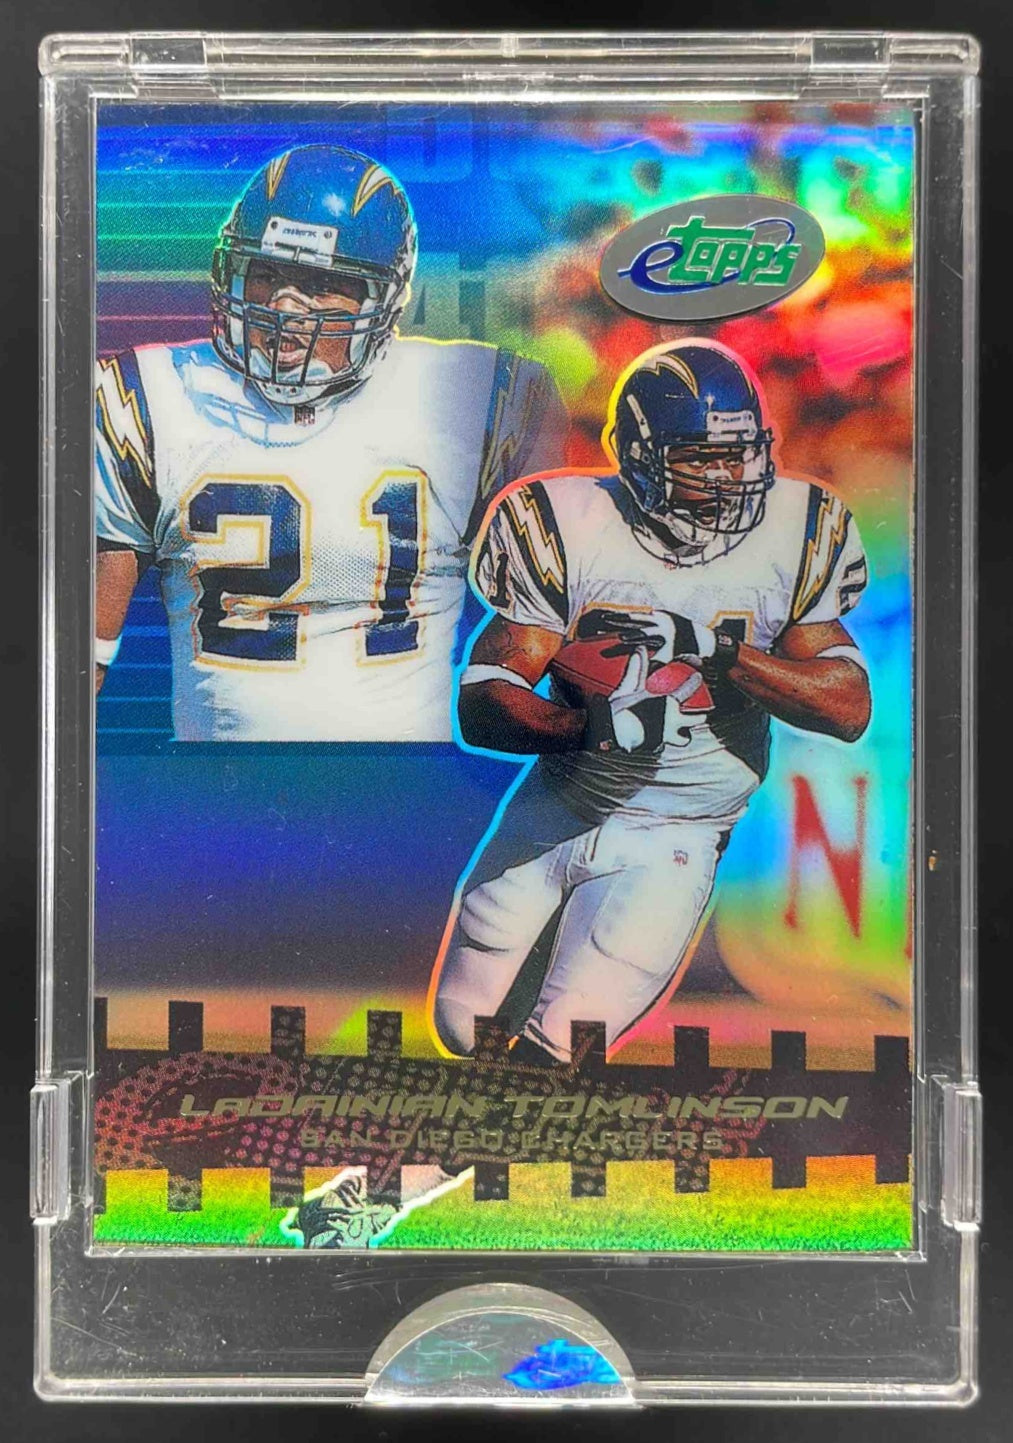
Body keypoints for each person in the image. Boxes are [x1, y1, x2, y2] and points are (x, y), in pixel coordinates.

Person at [430, 338, 871, 1063]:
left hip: (678, 828)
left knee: (563, 1038)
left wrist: (717, 649)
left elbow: (847, 707)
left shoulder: (798, 528)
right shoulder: (566, 521)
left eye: (739, 455)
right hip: (560, 805)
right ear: (639, 456)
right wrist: (590, 728)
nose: (728, 477)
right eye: (700, 458)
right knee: (462, 1027)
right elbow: (483, 701)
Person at [94, 144, 566, 740]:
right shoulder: (146, 398)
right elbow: (83, 654)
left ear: (383, 299)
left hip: (412, 776)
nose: (284, 307)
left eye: (321, 284)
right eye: (266, 274)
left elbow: (563, 615)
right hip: (219, 777)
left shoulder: (482, 398)